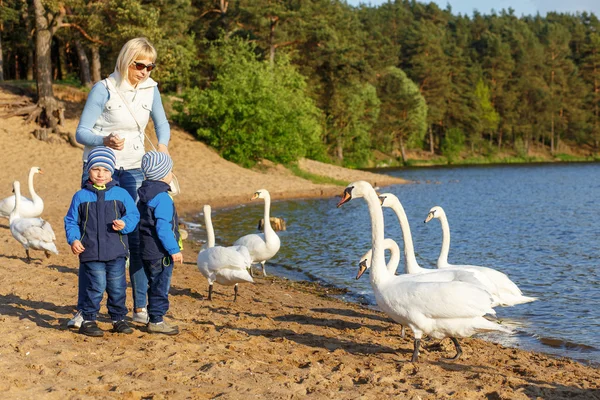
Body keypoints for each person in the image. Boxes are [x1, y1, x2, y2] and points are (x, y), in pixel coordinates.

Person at [68, 37, 171, 328]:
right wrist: (105, 140)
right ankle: (83, 311)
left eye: (151, 66)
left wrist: (162, 145)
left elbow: (161, 124)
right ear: (127, 61)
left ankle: (139, 307)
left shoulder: (151, 89)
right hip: (102, 168)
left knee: (137, 238)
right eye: (140, 65)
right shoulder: (104, 89)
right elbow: (81, 132)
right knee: (92, 239)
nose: (145, 71)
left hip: (137, 169)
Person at [64, 147, 140, 337]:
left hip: (116, 252)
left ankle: (118, 319)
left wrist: (125, 224)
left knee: (117, 287)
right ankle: (89, 319)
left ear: (112, 172)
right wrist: (73, 240)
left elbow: (133, 215)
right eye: (96, 169)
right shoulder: (80, 196)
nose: (101, 174)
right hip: (90, 252)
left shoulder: (121, 194)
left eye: (106, 170)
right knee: (95, 286)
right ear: (88, 170)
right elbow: (71, 221)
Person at [138, 151, 183, 335]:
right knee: (160, 286)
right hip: (160, 252)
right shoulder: (163, 198)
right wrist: (174, 249)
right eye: (170, 170)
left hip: (146, 249)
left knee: (153, 283)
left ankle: (153, 317)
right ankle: (156, 321)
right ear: (164, 174)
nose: (172, 174)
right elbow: (163, 228)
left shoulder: (143, 193)